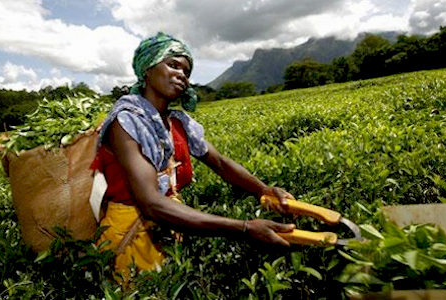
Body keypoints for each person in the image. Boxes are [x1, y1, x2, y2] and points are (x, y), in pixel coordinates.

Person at [93, 32, 296, 280]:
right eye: (173, 65)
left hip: (174, 224)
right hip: (130, 235)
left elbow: (220, 163)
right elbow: (150, 203)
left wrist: (264, 189)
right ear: (148, 69)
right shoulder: (125, 121)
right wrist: (244, 228)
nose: (181, 75)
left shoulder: (179, 123)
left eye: (186, 72)